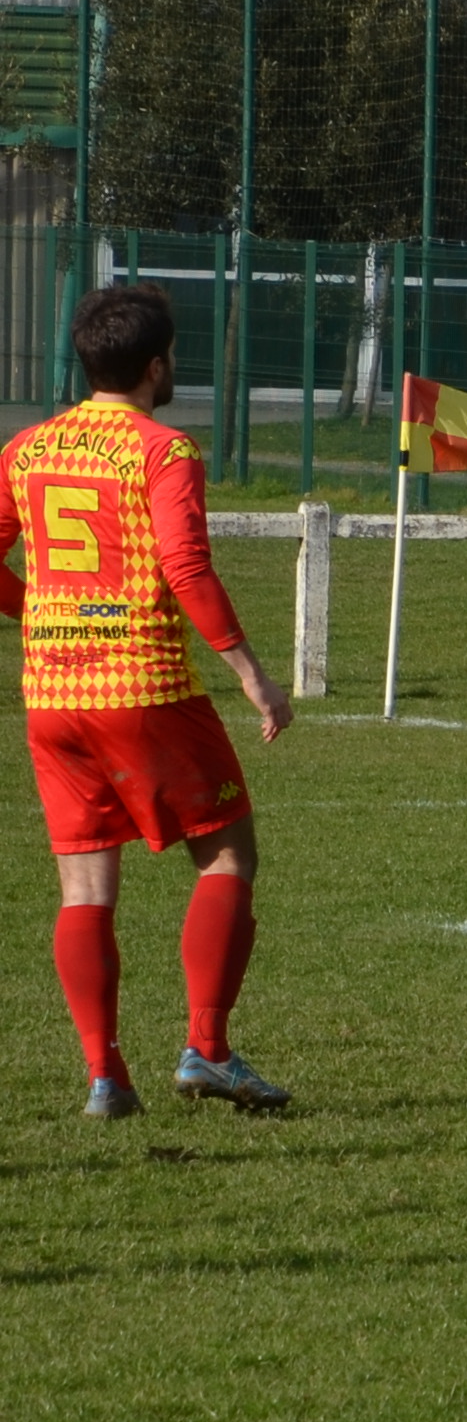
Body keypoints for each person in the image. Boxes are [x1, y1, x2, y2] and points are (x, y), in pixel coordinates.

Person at [0, 285, 291, 1117]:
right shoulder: (163, 450)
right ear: (157, 365)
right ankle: (208, 1050)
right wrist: (251, 674)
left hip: (53, 694)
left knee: (85, 886)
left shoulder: (25, 449)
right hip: (143, 686)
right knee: (228, 857)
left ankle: (105, 1076)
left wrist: (41, 611)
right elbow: (185, 566)